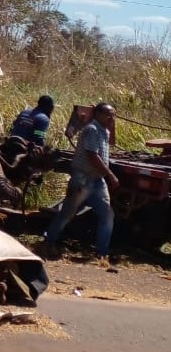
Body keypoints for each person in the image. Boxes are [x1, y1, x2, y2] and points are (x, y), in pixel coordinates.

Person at [42, 102, 119, 265]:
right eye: (108, 114)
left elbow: (112, 142)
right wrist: (110, 175)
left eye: (113, 115)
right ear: (98, 114)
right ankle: (49, 242)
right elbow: (92, 155)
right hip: (83, 178)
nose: (111, 117)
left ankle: (101, 253)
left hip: (97, 180)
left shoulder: (104, 130)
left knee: (107, 214)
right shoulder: (92, 129)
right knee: (68, 213)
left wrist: (113, 125)